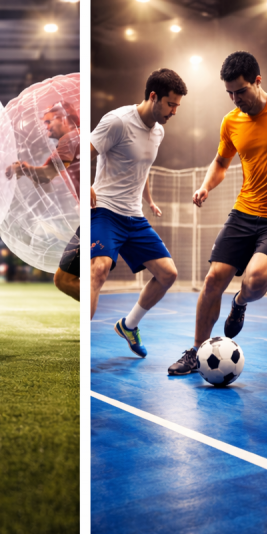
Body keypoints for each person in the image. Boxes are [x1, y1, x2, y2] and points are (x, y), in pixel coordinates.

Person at [167, 51, 267, 376]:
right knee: (213, 279)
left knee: (256, 278)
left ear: (257, 81)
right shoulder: (231, 121)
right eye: (229, 93)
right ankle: (196, 351)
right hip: (244, 213)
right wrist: (206, 186)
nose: (235, 99)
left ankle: (240, 303)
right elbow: (220, 162)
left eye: (240, 91)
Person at [90, 69, 185, 357]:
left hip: (134, 217)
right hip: (105, 210)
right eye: (171, 104)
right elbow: (84, 151)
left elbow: (141, 169)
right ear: (153, 97)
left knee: (168, 274)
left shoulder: (159, 131)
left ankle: (129, 326)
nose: (174, 111)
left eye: (178, 106)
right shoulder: (117, 121)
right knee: (99, 269)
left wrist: (150, 199)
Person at [6, 103, 81, 300]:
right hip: (98, 214)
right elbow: (44, 178)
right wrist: (28, 171)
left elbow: (47, 174)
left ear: (64, 119)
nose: (46, 126)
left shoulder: (69, 139)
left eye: (49, 121)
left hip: (97, 217)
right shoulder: (80, 137)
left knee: (64, 279)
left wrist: (23, 168)